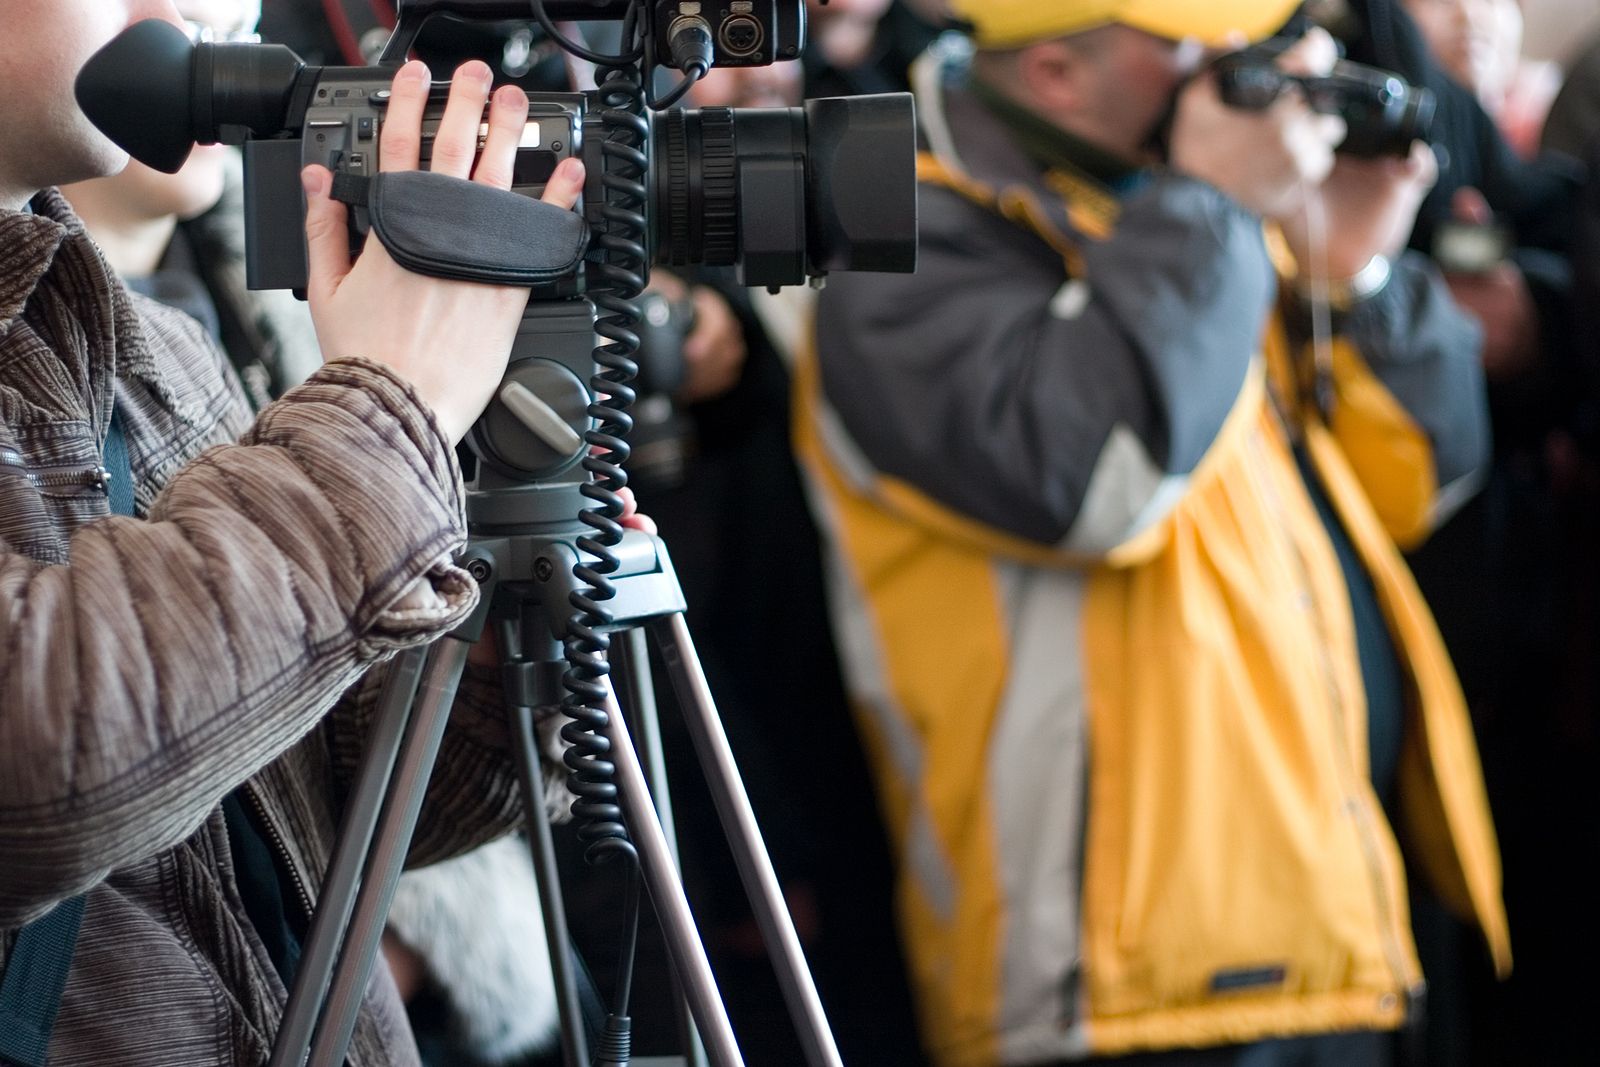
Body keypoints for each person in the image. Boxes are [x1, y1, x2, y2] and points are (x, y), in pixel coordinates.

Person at [793, 1, 1509, 1064]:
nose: (1244, 71)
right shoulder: (902, 254)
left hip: (1334, 932)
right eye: (1202, 46)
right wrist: (1214, 204)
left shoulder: (1177, 225)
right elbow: (1093, 485)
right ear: (1052, 76)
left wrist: (1351, 276)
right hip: (1115, 988)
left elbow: (1416, 487)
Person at [0, 3, 638, 1065]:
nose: (222, 11)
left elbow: (300, 793)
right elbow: (33, 765)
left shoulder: (147, 340)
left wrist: (507, 576)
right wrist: (390, 408)